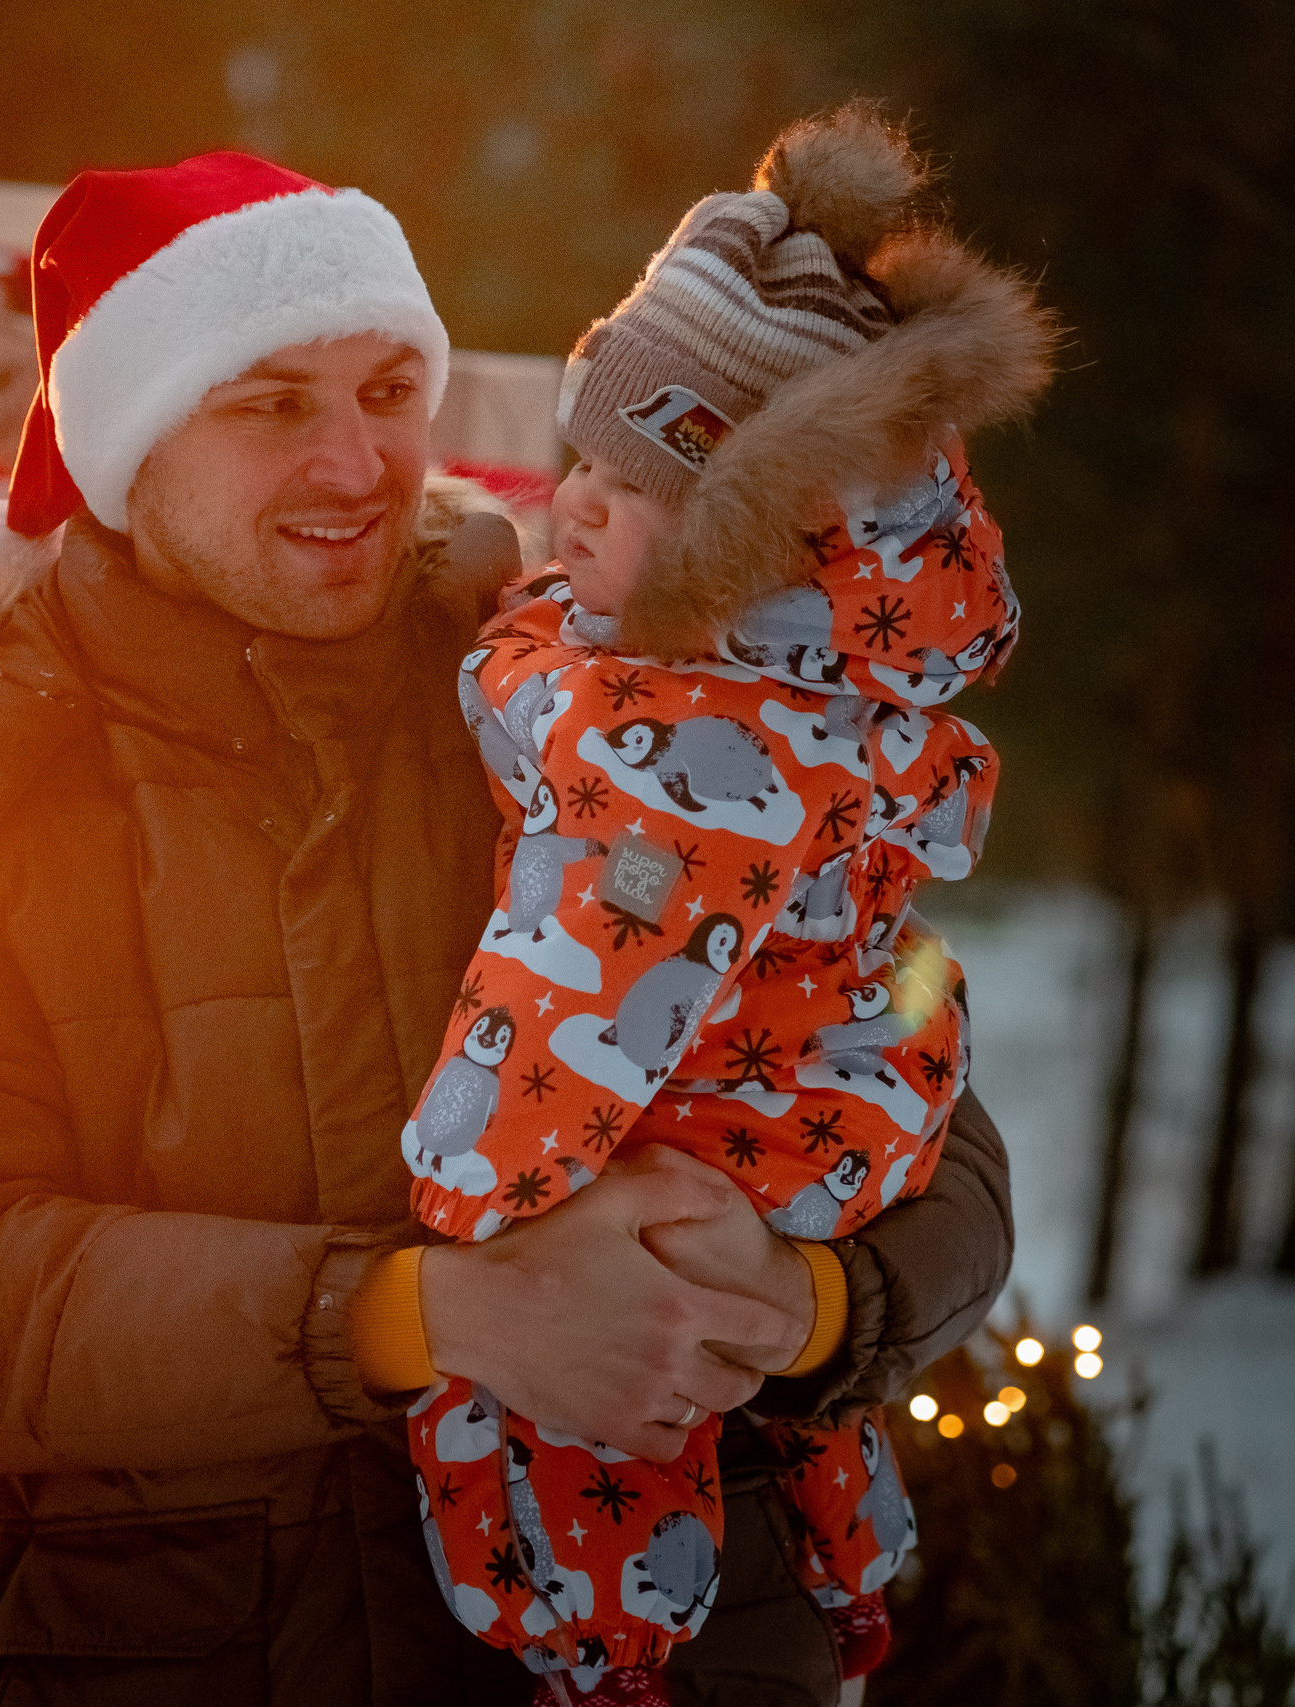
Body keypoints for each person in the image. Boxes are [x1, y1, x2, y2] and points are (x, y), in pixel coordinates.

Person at [0, 147, 1016, 1707]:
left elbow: (931, 1093)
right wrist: (434, 1315)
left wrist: (801, 1297)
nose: (357, 461)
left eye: (386, 387)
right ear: (130, 443)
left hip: (694, 1643)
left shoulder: (602, 691)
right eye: (272, 403)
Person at [397, 107, 1054, 1706]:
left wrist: (471, 1193)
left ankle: (596, 1640)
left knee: (575, 1393)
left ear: (759, 543)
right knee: (761, 1390)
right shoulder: (769, 662)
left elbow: (579, 989)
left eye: (625, 491)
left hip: (709, 1117)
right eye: (577, 458)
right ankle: (841, 1565)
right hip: (836, 1101)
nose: (570, 507)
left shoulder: (678, 759)